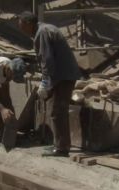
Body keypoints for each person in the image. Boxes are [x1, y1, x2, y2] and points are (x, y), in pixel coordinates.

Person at [18, 11, 81, 157]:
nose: (20, 29)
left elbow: (47, 60)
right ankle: (58, 143)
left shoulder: (42, 33)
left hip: (63, 76)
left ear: (28, 23)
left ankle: (61, 148)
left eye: (21, 25)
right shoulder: (44, 29)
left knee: (58, 112)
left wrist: (45, 83)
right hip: (62, 75)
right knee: (56, 110)